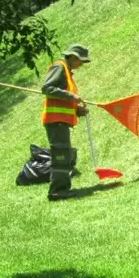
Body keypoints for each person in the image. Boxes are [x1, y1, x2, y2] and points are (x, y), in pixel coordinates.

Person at [41, 44, 91, 201]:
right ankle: (57, 191)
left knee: (64, 153)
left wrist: (77, 111)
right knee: (61, 155)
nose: (81, 65)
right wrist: (71, 96)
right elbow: (47, 88)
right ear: (74, 57)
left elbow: (61, 99)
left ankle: (61, 188)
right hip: (56, 121)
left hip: (61, 121)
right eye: (81, 61)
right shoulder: (59, 67)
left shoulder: (67, 72)